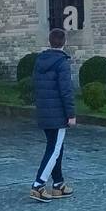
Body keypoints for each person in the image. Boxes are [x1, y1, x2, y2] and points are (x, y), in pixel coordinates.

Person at [30, 27, 76, 202]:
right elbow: (66, 91)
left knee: (57, 147)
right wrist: (70, 114)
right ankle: (38, 185)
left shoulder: (40, 60)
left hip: (44, 110)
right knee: (54, 149)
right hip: (57, 113)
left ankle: (58, 184)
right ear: (64, 43)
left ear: (50, 41)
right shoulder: (62, 63)